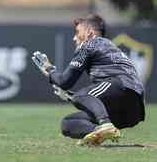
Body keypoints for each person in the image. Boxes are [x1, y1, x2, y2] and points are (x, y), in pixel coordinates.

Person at [32, 14, 145, 146]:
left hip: (120, 87)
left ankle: (105, 124)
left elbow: (65, 81)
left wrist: (50, 70)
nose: (74, 38)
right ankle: (98, 132)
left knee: (81, 95)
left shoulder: (89, 44)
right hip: (134, 109)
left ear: (89, 33)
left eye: (77, 32)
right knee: (68, 123)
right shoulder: (110, 47)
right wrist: (70, 96)